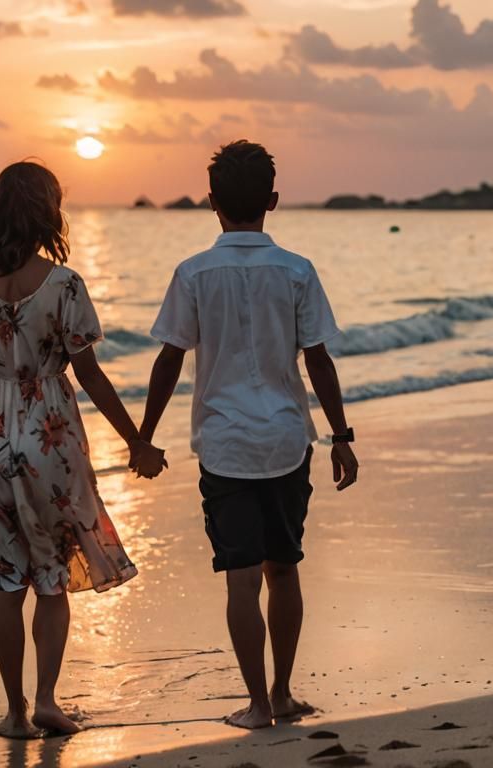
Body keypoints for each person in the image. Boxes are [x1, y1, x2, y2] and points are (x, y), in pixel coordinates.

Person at [0, 160, 167, 738]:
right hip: (48, 432)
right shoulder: (64, 284)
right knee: (52, 577)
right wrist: (137, 440)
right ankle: (48, 703)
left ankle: (13, 713)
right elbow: (90, 373)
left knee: (6, 581)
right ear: (46, 212)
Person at [137, 140, 359, 729]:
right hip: (287, 439)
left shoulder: (193, 273)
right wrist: (341, 435)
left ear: (211, 203)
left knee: (241, 577)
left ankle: (258, 705)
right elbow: (319, 361)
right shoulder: (296, 270)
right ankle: (284, 692)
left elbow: (168, 359)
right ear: (274, 201)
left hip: (226, 444)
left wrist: (143, 437)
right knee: (283, 568)